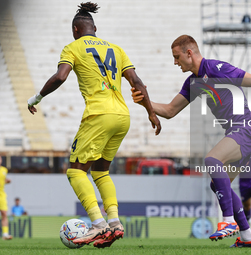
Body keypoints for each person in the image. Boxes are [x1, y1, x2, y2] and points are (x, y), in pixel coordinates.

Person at [131, 35, 251, 247]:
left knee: (212, 160)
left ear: (189, 53)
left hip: (249, 127)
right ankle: (246, 237)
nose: (175, 62)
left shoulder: (217, 68)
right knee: (217, 184)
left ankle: (228, 221)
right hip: (238, 131)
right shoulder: (192, 83)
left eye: (177, 57)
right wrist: (146, 102)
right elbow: (169, 111)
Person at [27, 2, 161, 249]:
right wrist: (151, 113)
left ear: (76, 30)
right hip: (122, 117)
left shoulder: (74, 47)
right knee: (100, 172)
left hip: (98, 115)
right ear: (95, 28)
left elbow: (60, 76)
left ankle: (98, 226)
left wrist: (36, 97)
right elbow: (137, 82)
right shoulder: (117, 49)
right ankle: (115, 223)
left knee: (76, 171)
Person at [0, 156, 12, 240]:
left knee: (4, 213)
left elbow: (2, 180)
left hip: (2, 195)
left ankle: (5, 234)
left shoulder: (4, 170)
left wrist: (7, 181)